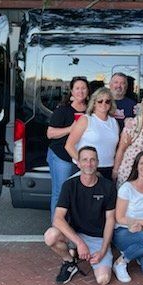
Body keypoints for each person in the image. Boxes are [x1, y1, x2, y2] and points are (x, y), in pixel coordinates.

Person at [43, 146, 116, 285]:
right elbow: (57, 219)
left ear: (98, 162)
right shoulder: (69, 185)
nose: (89, 164)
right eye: (85, 160)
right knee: (50, 236)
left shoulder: (108, 187)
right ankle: (70, 262)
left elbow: (110, 220)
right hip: (75, 235)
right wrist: (79, 243)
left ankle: (86, 253)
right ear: (78, 163)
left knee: (103, 279)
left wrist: (103, 250)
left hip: (97, 238)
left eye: (92, 160)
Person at [112, 151, 143, 282]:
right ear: (136, 166)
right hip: (124, 231)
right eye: (141, 163)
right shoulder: (126, 188)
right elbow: (119, 217)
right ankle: (121, 262)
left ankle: (138, 252)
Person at [46, 76, 90, 220]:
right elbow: (50, 133)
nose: (80, 91)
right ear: (71, 91)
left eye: (83, 88)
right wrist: (70, 129)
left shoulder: (91, 110)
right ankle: (56, 230)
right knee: (60, 193)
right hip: (62, 156)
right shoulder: (63, 110)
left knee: (77, 194)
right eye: (77, 88)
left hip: (81, 158)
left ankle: (71, 228)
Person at [65, 87, 119, 181]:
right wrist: (82, 163)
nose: (103, 104)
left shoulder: (114, 122)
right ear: (94, 103)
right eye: (100, 101)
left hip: (108, 169)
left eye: (107, 101)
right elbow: (69, 145)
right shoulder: (86, 119)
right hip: (86, 169)